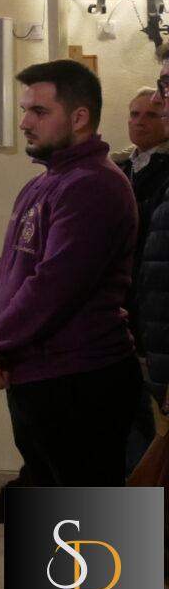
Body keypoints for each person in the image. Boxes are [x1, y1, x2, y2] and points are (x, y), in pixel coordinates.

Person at [0, 59, 140, 486]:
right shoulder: (42, 184)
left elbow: (54, 286)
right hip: (39, 374)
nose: (24, 123)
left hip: (81, 378)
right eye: (24, 110)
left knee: (94, 519)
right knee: (52, 519)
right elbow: (5, 269)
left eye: (39, 112)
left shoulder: (94, 185)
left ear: (79, 117)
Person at [116, 84, 169, 471]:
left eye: (151, 115)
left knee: (153, 442)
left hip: (153, 316)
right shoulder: (118, 168)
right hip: (119, 314)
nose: (140, 122)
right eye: (134, 115)